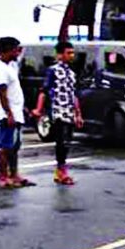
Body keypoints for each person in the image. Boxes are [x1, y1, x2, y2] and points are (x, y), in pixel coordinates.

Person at [33, 41, 83, 185]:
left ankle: (62, 170)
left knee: (67, 141)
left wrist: (78, 114)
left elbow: (74, 94)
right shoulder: (53, 71)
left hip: (69, 110)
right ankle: (61, 172)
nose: (71, 55)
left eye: (72, 53)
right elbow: (44, 91)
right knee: (61, 141)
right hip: (58, 109)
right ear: (60, 54)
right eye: (68, 53)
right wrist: (38, 109)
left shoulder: (72, 73)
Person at [0, 37, 33, 188]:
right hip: (6, 115)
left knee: (15, 147)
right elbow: (2, 93)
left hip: (16, 113)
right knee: (5, 147)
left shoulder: (10, 66)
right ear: (9, 50)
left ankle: (15, 175)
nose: (19, 52)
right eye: (17, 49)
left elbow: (13, 91)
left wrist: (21, 108)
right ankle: (3, 177)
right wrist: (9, 113)